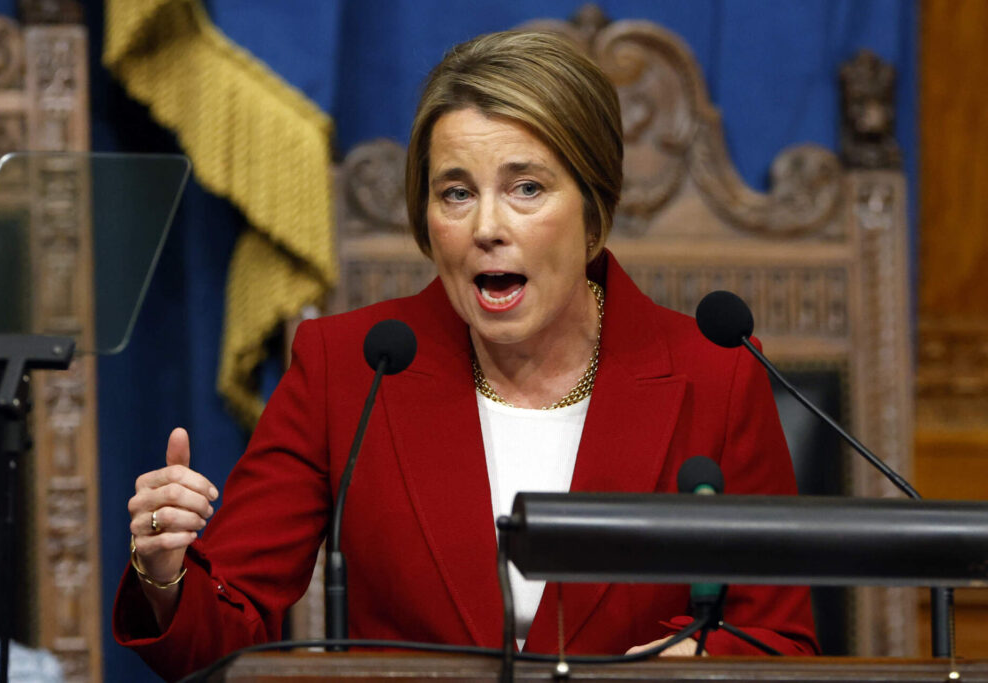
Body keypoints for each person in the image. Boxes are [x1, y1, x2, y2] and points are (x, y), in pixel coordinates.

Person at [115, 30, 819, 680]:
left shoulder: (715, 373)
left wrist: (699, 661)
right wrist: (165, 573)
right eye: (456, 192)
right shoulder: (349, 367)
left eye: (526, 188)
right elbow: (218, 637)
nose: (486, 227)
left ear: (595, 212)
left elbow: (779, 640)